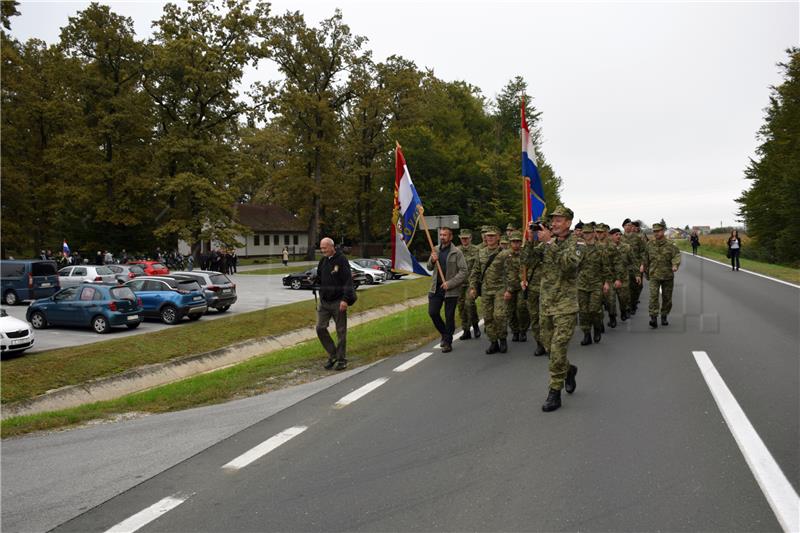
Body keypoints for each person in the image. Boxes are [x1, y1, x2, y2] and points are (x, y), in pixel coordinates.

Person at [539, 205, 583, 412]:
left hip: (565, 306)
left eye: (558, 220)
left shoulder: (577, 243)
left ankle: (554, 392)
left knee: (557, 350)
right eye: (552, 220)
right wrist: (529, 241)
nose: (554, 223)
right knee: (549, 349)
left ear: (568, 222)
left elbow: (568, 265)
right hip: (546, 304)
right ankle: (569, 370)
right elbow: (526, 261)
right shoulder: (549, 242)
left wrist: (549, 242)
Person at [313, 237, 355, 370]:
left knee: (341, 331)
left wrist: (345, 300)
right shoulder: (323, 261)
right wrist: (314, 281)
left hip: (339, 301)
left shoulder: (342, 260)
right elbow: (320, 277)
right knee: (320, 328)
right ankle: (333, 354)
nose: (322, 250)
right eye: (321, 248)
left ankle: (342, 359)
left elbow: (348, 281)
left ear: (332, 247)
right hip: (325, 302)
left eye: (324, 248)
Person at [469, 226, 510, 354]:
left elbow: (511, 272)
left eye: (493, 236)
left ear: (498, 237)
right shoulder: (480, 253)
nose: (490, 238)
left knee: (499, 315)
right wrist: (473, 287)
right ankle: (493, 342)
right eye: (488, 236)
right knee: (487, 317)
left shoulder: (504, 253)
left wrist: (509, 290)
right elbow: (475, 271)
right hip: (486, 289)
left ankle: (502, 339)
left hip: (500, 289)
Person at [427, 227, 468, 353]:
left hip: (451, 289)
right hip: (436, 288)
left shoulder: (457, 252)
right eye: (441, 234)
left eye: (445, 235)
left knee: (449, 316)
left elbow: (464, 271)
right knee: (433, 312)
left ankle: (447, 342)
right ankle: (445, 334)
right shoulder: (435, 249)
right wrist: (432, 260)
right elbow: (429, 267)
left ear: (450, 237)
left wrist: (450, 283)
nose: (442, 237)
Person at [641, 222, 681, 328]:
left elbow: (676, 255)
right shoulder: (650, 244)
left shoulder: (670, 244)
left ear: (663, 231)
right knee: (653, 296)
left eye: (658, 231)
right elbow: (646, 257)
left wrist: (675, 265)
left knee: (667, 298)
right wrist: (643, 266)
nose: (656, 233)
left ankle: (664, 316)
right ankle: (653, 318)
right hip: (654, 274)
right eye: (654, 231)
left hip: (667, 275)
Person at [521, 219, 547, 356]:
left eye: (540, 229)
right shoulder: (533, 246)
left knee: (547, 319)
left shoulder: (554, 243)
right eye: (536, 229)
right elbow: (525, 260)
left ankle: (549, 343)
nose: (538, 232)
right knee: (535, 318)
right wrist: (530, 240)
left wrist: (547, 240)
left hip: (549, 289)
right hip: (533, 288)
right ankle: (540, 344)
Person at [576, 222, 605, 346]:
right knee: (583, 311)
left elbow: (606, 267)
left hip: (596, 284)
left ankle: (597, 328)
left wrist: (607, 282)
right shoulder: (578, 248)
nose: (586, 235)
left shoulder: (600, 248)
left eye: (589, 233)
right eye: (585, 233)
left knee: (594, 310)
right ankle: (586, 334)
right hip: (581, 284)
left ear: (593, 234)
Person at [456, 229, 481, 340]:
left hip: (471, 283)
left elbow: (478, 267)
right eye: (462, 238)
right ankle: (466, 330)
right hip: (459, 284)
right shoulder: (456, 251)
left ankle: (475, 325)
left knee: (469, 304)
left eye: (466, 238)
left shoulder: (477, 250)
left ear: (470, 238)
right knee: (461, 307)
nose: (464, 240)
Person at [505, 231, 529, 342]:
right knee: (510, 310)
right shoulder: (505, 255)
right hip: (509, 287)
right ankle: (515, 331)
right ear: (510, 243)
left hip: (521, 287)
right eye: (513, 242)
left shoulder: (525, 255)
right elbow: (501, 272)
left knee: (521, 308)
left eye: (518, 242)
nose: (516, 244)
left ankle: (523, 330)